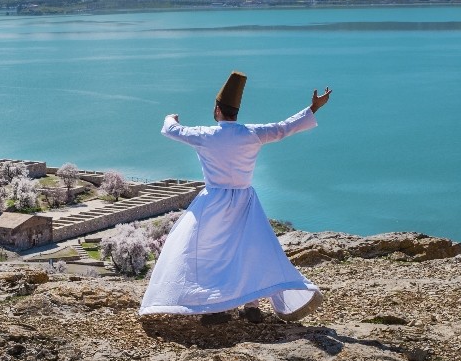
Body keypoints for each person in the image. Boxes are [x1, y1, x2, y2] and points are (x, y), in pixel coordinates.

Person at [139, 71, 332, 322]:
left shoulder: (205, 135)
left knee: (210, 253)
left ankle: (215, 307)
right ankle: (250, 305)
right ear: (235, 111)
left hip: (213, 202)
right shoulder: (251, 133)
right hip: (245, 201)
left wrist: (170, 116)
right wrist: (313, 108)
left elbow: (172, 129)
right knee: (247, 250)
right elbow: (285, 128)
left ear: (218, 110)